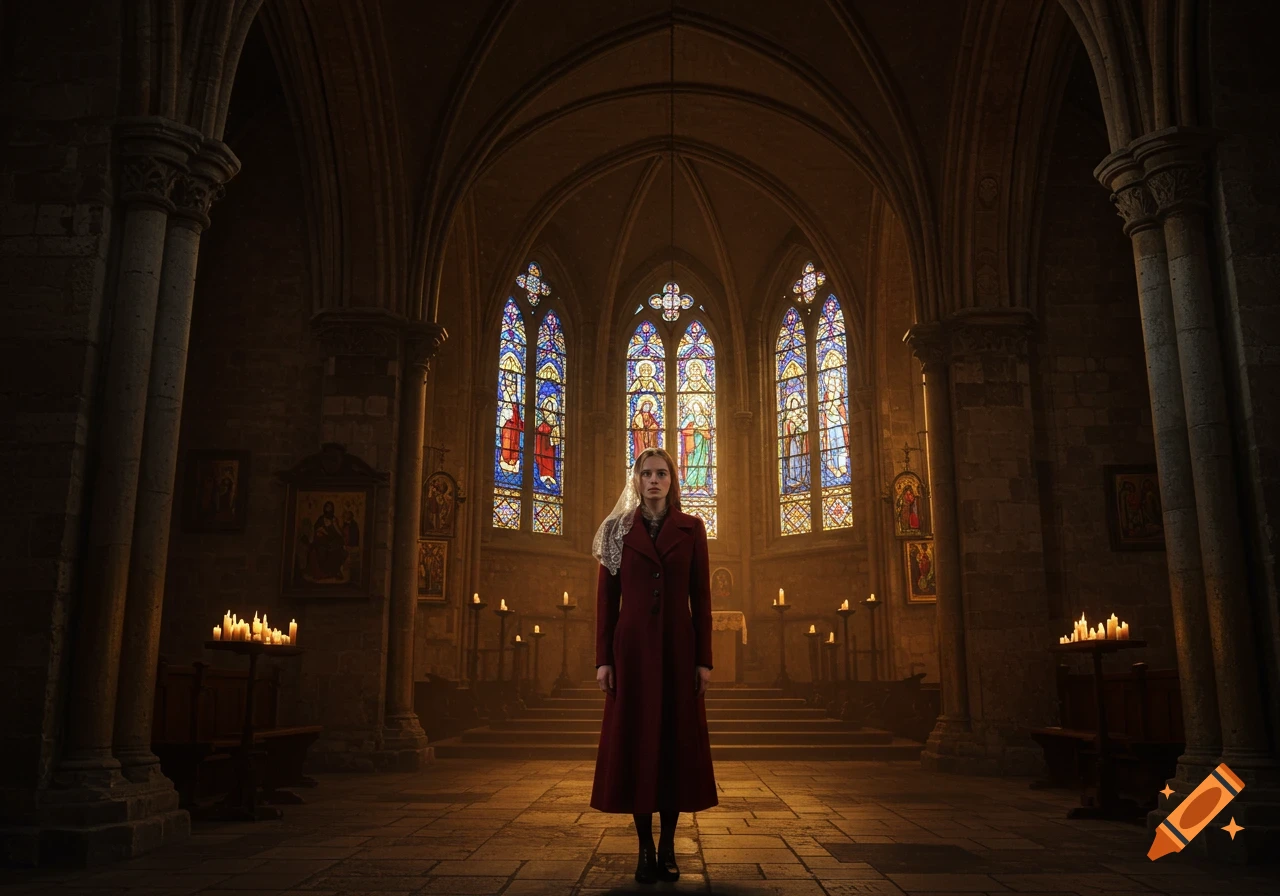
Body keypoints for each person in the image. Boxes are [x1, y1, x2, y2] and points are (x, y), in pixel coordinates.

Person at [590, 446, 717, 885]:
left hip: (679, 650)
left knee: (674, 744)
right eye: (647, 473)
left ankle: (668, 847)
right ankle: (644, 847)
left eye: (662, 473)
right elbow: (606, 601)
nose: (654, 481)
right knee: (637, 743)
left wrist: (704, 660)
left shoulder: (692, 528)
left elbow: (701, 598)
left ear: (672, 480)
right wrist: (603, 660)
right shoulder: (616, 530)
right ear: (637, 479)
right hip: (632, 652)